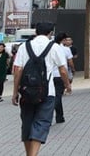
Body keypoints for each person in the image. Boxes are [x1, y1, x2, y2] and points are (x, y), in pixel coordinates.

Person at [12, 21, 71, 156]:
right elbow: (62, 70)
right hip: (47, 93)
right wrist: (67, 86)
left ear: (35, 32)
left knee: (27, 124)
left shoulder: (24, 46)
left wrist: (15, 92)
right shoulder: (54, 47)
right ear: (50, 33)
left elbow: (18, 71)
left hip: (26, 92)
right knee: (42, 123)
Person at [51, 33, 75, 123]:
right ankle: (57, 116)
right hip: (59, 75)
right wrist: (68, 83)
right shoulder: (66, 49)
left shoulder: (50, 48)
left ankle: (57, 117)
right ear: (63, 40)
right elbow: (70, 62)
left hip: (50, 76)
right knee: (58, 97)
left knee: (52, 96)